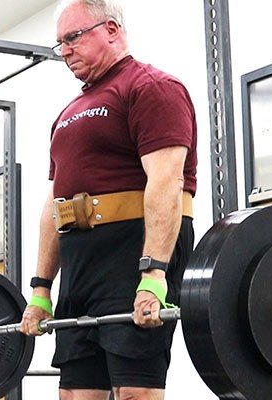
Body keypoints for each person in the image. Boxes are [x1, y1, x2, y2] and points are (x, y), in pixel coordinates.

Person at [19, 1, 198, 399]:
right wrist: (40, 289)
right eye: (59, 44)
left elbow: (167, 182)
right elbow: (54, 204)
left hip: (130, 255)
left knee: (135, 391)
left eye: (72, 38)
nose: (64, 50)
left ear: (112, 29)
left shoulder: (151, 87)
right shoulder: (67, 113)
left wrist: (153, 275)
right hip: (81, 262)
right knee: (75, 393)